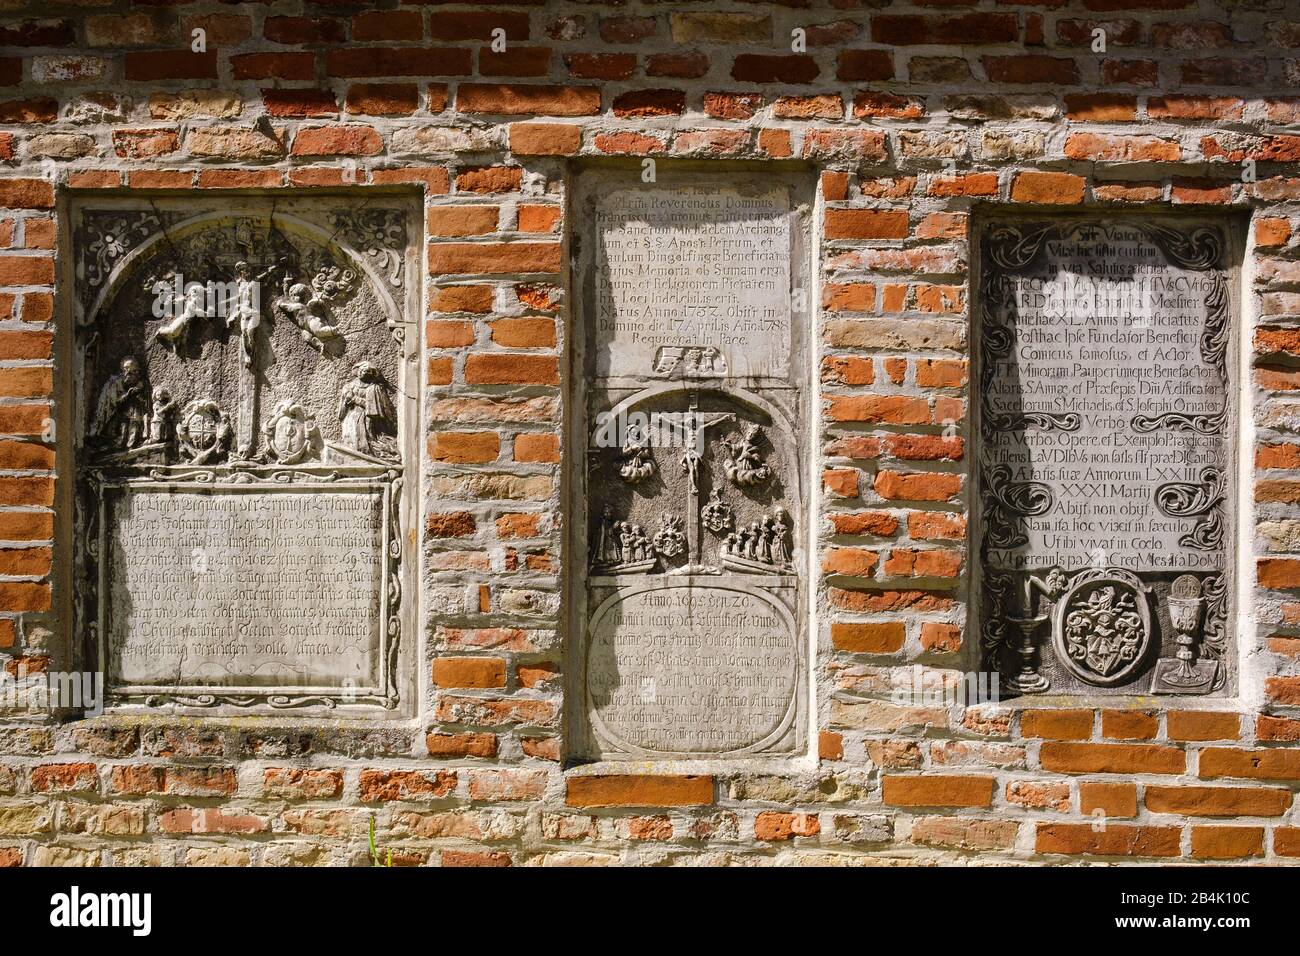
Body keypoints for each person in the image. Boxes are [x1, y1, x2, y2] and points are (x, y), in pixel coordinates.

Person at [337, 361, 397, 459]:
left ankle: (366, 459)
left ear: (372, 373)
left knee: (365, 443)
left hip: (368, 418)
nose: (364, 372)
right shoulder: (348, 387)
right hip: (351, 417)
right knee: (351, 440)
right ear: (358, 371)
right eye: (362, 370)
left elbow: (375, 407)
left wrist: (355, 399)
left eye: (368, 371)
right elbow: (342, 410)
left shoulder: (374, 388)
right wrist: (346, 399)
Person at [91, 356, 149, 450]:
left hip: (133, 412)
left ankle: (131, 444)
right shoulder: (115, 383)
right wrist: (129, 394)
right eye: (127, 369)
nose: (130, 373)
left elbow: (143, 399)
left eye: (134, 370)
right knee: (123, 425)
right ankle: (117, 442)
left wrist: (139, 389)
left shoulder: (139, 381)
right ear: (123, 370)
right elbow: (115, 402)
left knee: (134, 423)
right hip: (117, 414)